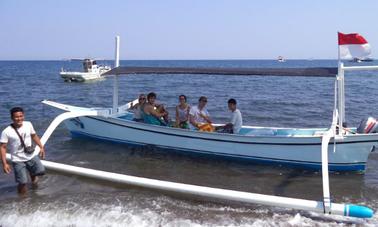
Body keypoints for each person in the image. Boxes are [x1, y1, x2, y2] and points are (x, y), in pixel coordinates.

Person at [0, 107, 46, 194]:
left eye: (21, 116)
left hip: (31, 155)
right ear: (12, 118)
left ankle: (34, 187)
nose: (19, 119)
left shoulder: (28, 124)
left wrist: (41, 147)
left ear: (23, 116)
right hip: (18, 160)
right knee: (22, 182)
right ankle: (23, 200)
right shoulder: (6, 132)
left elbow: (34, 135)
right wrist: (5, 163)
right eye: (16, 117)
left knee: (40, 170)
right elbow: (2, 147)